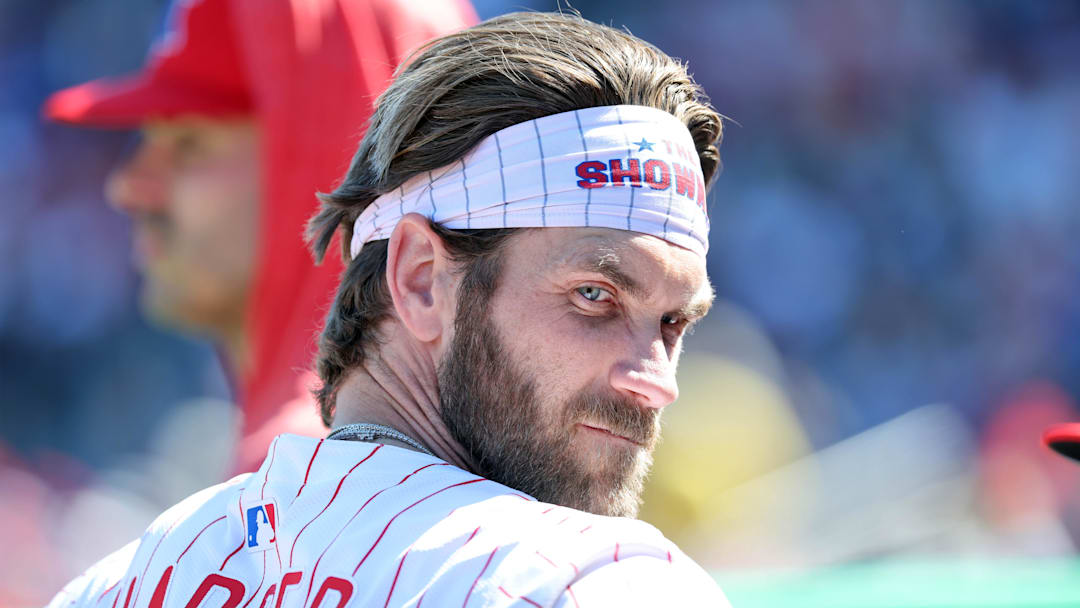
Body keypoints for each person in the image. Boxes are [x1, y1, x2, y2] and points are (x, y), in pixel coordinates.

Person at [48, 11, 731, 606]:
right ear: (420, 278)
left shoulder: (116, 584)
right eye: (595, 297)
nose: (657, 381)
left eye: (673, 324)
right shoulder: (598, 582)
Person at [43, 0, 477, 473]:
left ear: (332, 154)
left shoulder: (319, 476)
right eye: (144, 142)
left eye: (188, 143)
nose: (128, 187)